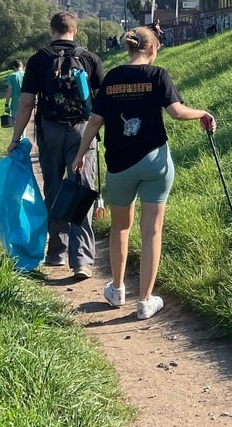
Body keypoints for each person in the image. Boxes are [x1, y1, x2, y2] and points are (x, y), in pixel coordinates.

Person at [70, 26, 214, 319]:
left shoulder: (111, 78)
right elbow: (176, 112)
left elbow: (95, 121)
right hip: (155, 162)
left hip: (119, 164)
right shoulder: (158, 75)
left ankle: (117, 289)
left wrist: (80, 154)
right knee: (152, 232)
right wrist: (203, 113)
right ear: (152, 50)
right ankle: (146, 301)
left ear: (129, 49)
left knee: (120, 227)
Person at [7, 11, 106, 279]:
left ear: (52, 31)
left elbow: (26, 103)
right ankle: (82, 260)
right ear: (75, 31)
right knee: (81, 189)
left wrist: (16, 138)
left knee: (53, 187)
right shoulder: (89, 58)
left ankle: (56, 252)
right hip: (83, 131)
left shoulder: (39, 60)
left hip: (50, 130)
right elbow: (101, 104)